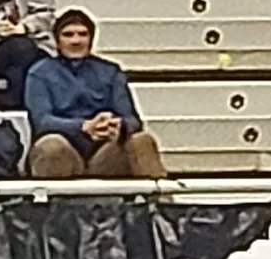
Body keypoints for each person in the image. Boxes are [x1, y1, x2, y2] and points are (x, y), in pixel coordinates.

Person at [16, 11, 165, 178]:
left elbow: (132, 120)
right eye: (68, 35)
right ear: (57, 40)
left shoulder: (110, 71)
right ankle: (54, 204)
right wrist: (84, 126)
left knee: (141, 140)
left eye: (82, 34)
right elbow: (42, 121)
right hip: (63, 150)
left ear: (91, 39)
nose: (76, 40)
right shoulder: (39, 72)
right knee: (52, 146)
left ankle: (161, 201)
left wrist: (117, 126)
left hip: (105, 153)